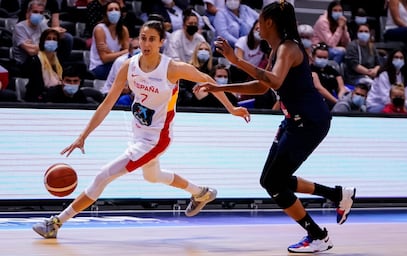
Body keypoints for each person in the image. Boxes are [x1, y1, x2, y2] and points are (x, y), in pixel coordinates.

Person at [32, 20, 250, 239]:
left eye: (152, 39)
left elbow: (208, 80)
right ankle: (201, 193)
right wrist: (83, 136)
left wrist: (231, 108)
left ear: (161, 42)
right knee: (153, 176)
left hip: (156, 139)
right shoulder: (130, 65)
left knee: (103, 176)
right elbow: (107, 102)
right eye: (143, 38)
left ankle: (56, 222)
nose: (146, 43)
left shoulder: (172, 68)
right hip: (139, 134)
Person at [195, 1, 356, 253]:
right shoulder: (277, 49)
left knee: (274, 182)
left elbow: (274, 79)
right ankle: (337, 195)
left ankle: (318, 235)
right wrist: (220, 88)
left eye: (259, 20)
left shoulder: (289, 48)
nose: (257, 25)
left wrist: (236, 60)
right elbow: (261, 86)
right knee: (270, 179)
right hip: (293, 120)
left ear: (269, 22)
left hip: (310, 122)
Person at [88, 1, 130, 80]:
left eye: (116, 9)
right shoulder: (100, 29)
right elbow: (104, 59)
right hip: (99, 67)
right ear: (105, 14)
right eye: (110, 10)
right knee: (126, 68)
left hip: (115, 63)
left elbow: (128, 54)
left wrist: (111, 52)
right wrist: (124, 52)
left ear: (120, 13)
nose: (114, 12)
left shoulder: (123, 30)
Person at [366, 49, 407, 113]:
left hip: (398, 105)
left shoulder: (402, 76)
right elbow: (385, 99)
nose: (399, 60)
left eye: (401, 58)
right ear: (391, 59)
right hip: (377, 105)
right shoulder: (383, 75)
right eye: (396, 57)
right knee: (392, 111)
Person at [25, 28, 63, 102]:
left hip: (54, 94)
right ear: (43, 41)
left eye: (54, 39)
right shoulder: (35, 60)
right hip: (38, 96)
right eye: (48, 39)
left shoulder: (58, 60)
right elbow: (36, 85)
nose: (52, 41)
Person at [311, 42, 347, 110]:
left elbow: (341, 87)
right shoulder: (310, 70)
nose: (322, 59)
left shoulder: (331, 70)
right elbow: (319, 88)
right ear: (313, 57)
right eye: (319, 57)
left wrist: (340, 96)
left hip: (333, 100)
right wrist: (336, 101)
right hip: (317, 100)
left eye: (325, 57)